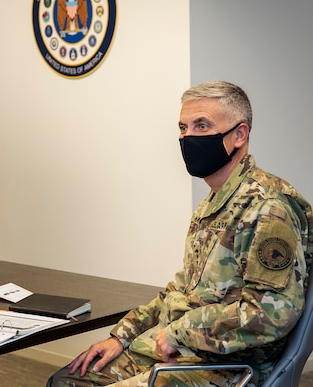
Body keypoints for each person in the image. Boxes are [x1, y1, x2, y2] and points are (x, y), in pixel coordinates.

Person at [47, 81, 313, 387]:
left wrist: (178, 332)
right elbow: (181, 290)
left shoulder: (269, 208)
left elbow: (270, 314)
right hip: (181, 351)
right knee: (68, 379)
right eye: (183, 127)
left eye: (202, 125)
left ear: (239, 135)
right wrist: (121, 337)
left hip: (227, 367)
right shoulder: (214, 203)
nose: (188, 137)